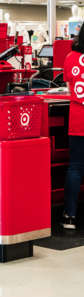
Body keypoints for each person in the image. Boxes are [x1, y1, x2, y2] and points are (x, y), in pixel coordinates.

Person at [61, 25, 84, 229]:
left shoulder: (71, 57)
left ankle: (70, 215)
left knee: (75, 167)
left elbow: (69, 86)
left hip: (79, 117)